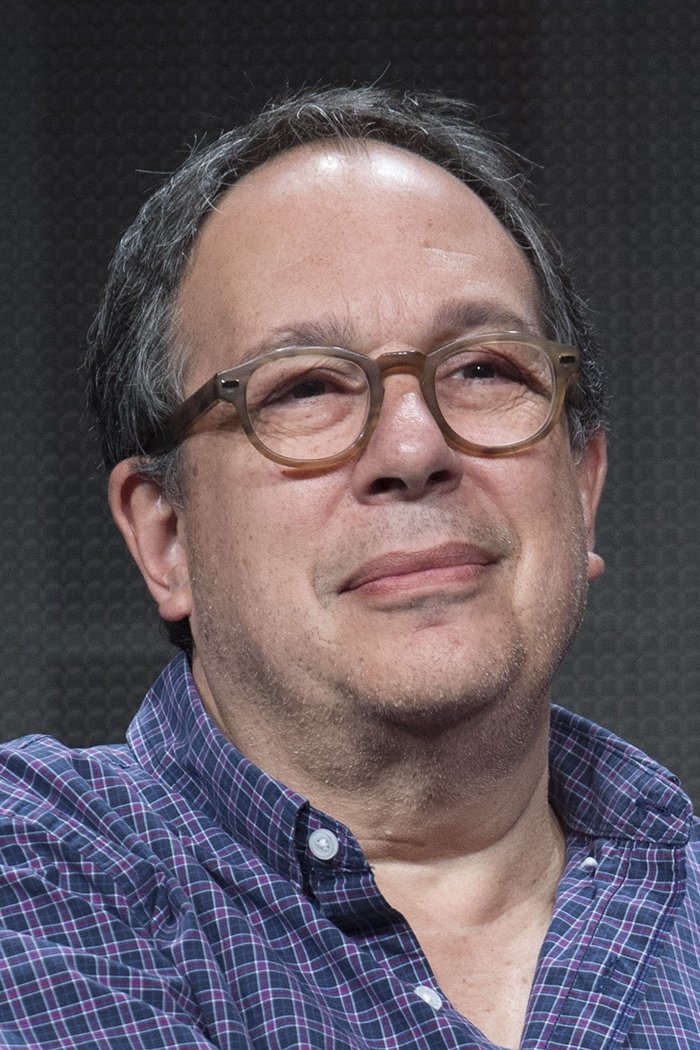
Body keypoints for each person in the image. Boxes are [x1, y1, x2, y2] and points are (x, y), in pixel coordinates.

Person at [0, 86, 697, 1049]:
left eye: (485, 369)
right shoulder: (32, 880)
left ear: (580, 490)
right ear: (166, 536)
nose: (413, 449)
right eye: (305, 388)